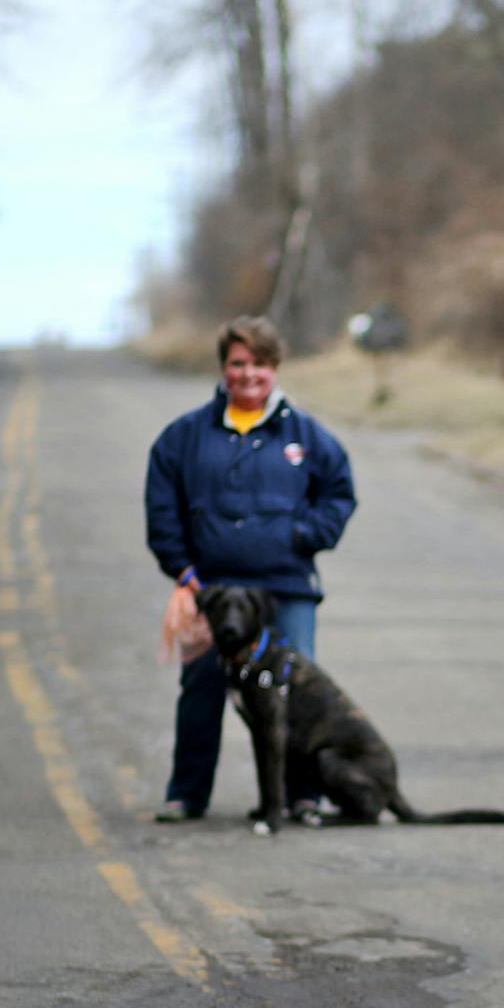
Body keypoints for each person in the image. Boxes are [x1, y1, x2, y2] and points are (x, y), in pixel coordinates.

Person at [144, 316, 357, 822]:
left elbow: (338, 494)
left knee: (297, 691)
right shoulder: (185, 436)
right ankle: (186, 794)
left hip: (287, 589)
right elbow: (162, 507)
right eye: (239, 363)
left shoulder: (306, 435)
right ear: (224, 368)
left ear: (275, 368)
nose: (249, 374)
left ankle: (303, 795)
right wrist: (182, 568)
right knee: (201, 687)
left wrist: (302, 536)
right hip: (212, 593)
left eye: (260, 364)